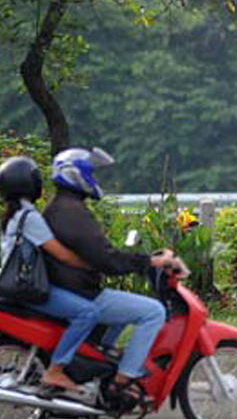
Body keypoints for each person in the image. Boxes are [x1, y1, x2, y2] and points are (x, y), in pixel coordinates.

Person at [42, 147, 174, 393]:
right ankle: (122, 381)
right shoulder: (71, 212)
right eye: (90, 173)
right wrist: (148, 262)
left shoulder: (62, 207)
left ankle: (95, 363)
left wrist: (136, 261)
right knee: (153, 311)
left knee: (125, 310)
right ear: (76, 175)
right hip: (79, 292)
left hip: (70, 287)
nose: (94, 179)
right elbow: (105, 259)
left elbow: (99, 254)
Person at [0, 156, 96, 390]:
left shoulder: (13, 215)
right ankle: (56, 370)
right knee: (88, 312)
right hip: (24, 290)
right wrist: (91, 264)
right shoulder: (29, 217)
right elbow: (60, 254)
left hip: (12, 287)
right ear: (31, 186)